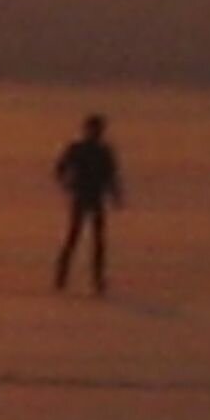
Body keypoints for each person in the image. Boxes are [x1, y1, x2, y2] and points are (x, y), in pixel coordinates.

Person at [52, 112, 124, 295]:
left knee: (97, 240)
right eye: (94, 129)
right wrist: (66, 183)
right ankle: (62, 275)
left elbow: (111, 176)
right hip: (82, 196)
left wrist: (116, 195)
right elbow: (60, 168)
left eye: (98, 129)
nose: (97, 132)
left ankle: (97, 279)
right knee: (75, 236)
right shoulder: (79, 149)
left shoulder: (103, 151)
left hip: (95, 197)